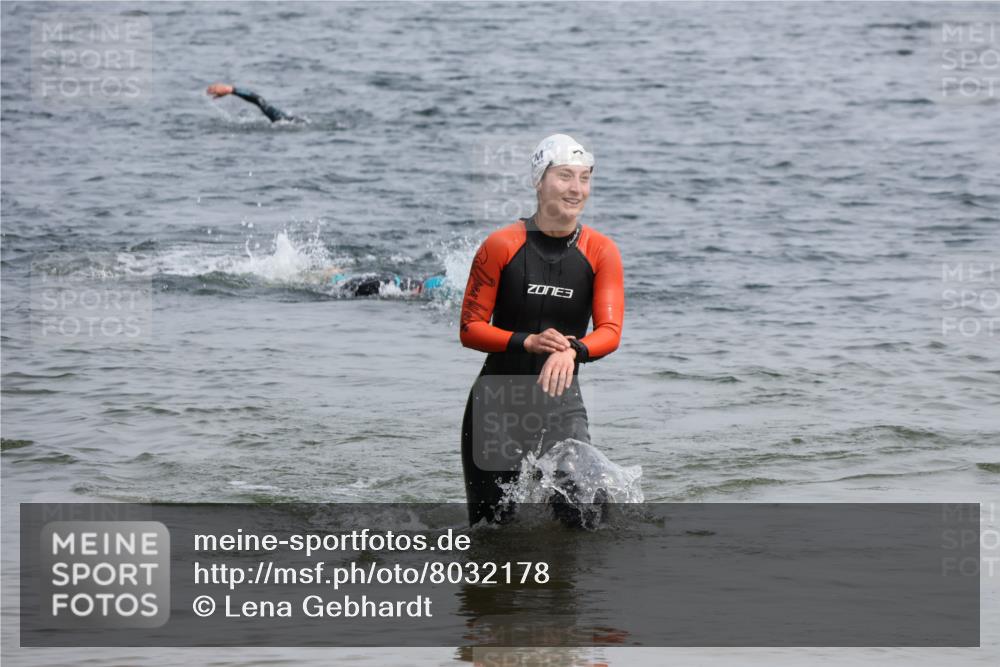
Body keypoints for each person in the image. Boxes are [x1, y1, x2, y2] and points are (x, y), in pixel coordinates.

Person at [458, 134, 624, 527]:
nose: (576, 188)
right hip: (495, 409)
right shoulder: (500, 246)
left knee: (583, 521)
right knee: (491, 536)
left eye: (584, 178)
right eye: (565, 176)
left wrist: (573, 350)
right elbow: (470, 328)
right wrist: (526, 341)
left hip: (561, 409)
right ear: (539, 180)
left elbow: (611, 330)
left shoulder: (601, 252)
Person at [206, 83, 300, 122]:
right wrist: (232, 90)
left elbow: (259, 100)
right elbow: (260, 101)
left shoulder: (288, 122)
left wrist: (232, 90)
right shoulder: (291, 121)